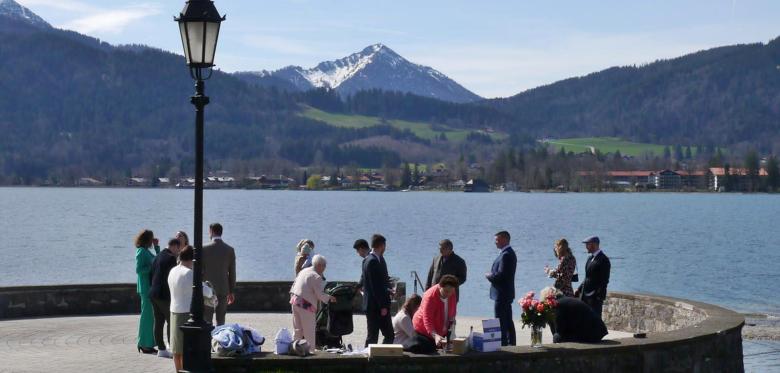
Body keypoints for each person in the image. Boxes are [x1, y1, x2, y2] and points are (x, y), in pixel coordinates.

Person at [168, 245, 214, 372]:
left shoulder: (173, 271)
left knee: (176, 349)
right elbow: (207, 292)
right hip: (187, 314)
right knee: (186, 349)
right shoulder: (189, 273)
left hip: (173, 311)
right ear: (192, 259)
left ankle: (177, 370)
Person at [289, 254, 336, 353]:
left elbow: (294, 285)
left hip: (294, 300)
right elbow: (319, 294)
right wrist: (330, 298)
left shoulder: (304, 271)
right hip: (305, 305)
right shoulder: (316, 276)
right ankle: (310, 351)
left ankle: (294, 348)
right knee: (309, 331)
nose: (324, 268)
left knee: (297, 329)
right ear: (319, 265)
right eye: (324, 266)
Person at [408, 275, 459, 354]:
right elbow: (427, 319)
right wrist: (435, 335)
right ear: (440, 286)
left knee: (447, 347)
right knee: (430, 349)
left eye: (451, 291)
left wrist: (452, 324)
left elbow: (453, 310)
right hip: (422, 329)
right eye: (445, 291)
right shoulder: (430, 296)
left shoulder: (452, 292)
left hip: (439, 328)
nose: (448, 294)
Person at [148, 238, 181, 358]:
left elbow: (150, 275)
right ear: (175, 246)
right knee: (170, 320)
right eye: (179, 249)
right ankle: (171, 347)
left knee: (158, 321)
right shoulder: (171, 258)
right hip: (164, 295)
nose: (179, 252)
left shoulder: (157, 256)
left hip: (153, 293)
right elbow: (172, 277)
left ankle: (161, 350)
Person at [539, 287, 607, 343]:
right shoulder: (564, 301)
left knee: (557, 338)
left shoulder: (558, 305)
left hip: (593, 334)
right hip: (597, 331)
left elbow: (558, 332)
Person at [485, 230, 517, 346]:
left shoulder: (506, 254)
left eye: (497, 240)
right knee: (507, 320)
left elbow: (501, 275)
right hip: (505, 294)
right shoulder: (506, 253)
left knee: (501, 321)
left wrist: (489, 276)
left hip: (502, 294)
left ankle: (504, 344)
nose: (495, 243)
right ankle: (510, 343)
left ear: (505, 239)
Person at [362, 234, 394, 346]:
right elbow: (375, 287)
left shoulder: (373, 259)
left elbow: (379, 282)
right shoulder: (372, 262)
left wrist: (389, 290)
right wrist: (383, 306)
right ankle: (376, 357)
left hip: (374, 305)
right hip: (376, 306)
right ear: (382, 245)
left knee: (378, 335)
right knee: (377, 336)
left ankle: (380, 356)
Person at [202, 223, 237, 326]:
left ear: (211, 231)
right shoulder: (229, 249)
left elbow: (199, 269)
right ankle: (219, 340)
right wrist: (232, 291)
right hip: (223, 288)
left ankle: (207, 340)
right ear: (221, 232)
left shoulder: (203, 248)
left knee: (207, 319)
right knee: (221, 319)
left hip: (207, 288)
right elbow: (232, 272)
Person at [134, 229, 159, 354]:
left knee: (149, 317)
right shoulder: (141, 251)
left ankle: (148, 343)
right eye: (151, 238)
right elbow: (139, 270)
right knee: (146, 317)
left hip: (149, 287)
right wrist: (151, 267)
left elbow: (158, 260)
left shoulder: (147, 251)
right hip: (145, 288)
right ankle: (143, 344)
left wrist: (157, 247)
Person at [575, 236, 611, 320]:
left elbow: (604, 280)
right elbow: (587, 277)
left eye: (587, 244)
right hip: (585, 295)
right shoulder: (590, 258)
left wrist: (598, 296)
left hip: (595, 297)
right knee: (584, 319)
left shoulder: (603, 259)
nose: (586, 247)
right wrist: (579, 289)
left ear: (594, 245)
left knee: (595, 320)